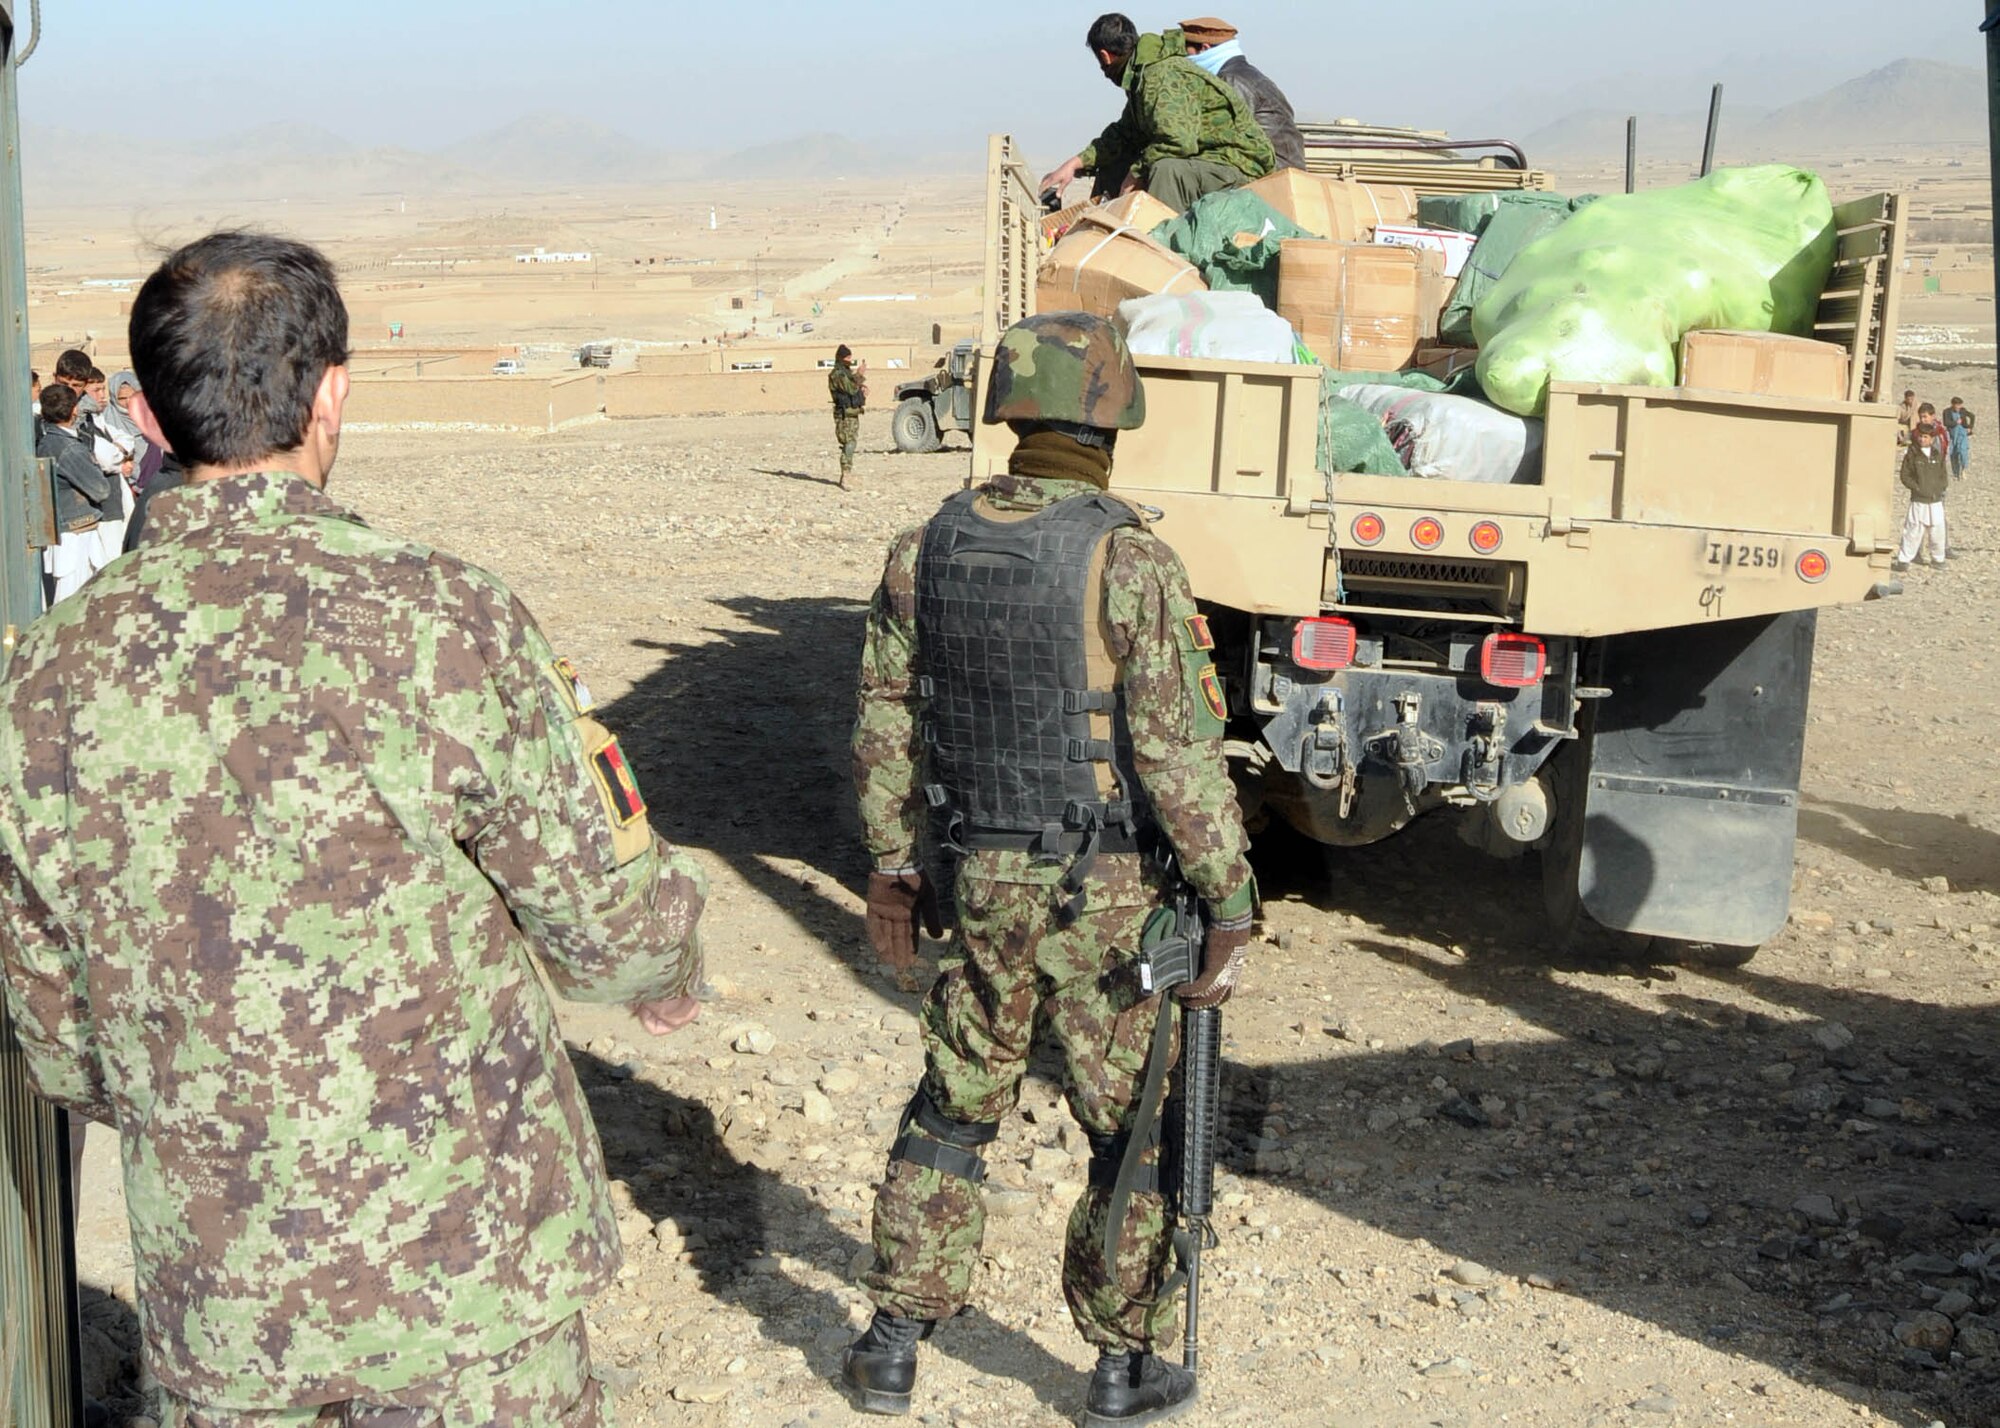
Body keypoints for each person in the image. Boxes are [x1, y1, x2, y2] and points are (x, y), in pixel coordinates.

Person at [0, 231, 710, 1423]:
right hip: (473, 1302)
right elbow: (605, 918)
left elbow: (55, 1032)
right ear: (331, 393)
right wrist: (668, 964)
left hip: (230, 1319)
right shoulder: (443, 617)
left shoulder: (44, 679)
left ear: (156, 423)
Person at [841, 311, 1256, 1426]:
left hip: (977, 877)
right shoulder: (1128, 558)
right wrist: (1228, 898)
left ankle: (890, 1343)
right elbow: (1175, 750)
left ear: (1010, 413)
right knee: (1124, 1125)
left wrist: (892, 870)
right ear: (1111, 413)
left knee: (953, 1104)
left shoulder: (921, 547)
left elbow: (884, 724)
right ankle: (1121, 1365)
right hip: (1107, 896)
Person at [1038, 13, 1276, 212]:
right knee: (1117, 163)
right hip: (1207, 161)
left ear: (1105, 56)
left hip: (1238, 167)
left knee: (1166, 170)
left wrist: (1136, 173)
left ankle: (1160, 253)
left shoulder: (1159, 76)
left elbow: (1178, 142)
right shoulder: (1142, 76)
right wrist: (1075, 163)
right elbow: (1125, 134)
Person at [1178, 16, 1305, 171]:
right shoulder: (1242, 73)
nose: (1184, 58)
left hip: (1271, 170)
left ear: (1204, 48)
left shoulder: (1231, 80)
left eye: (1186, 51)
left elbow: (1223, 136)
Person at [31, 379, 113, 605]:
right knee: (72, 599)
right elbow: (101, 489)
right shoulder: (67, 447)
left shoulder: (48, 441)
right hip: (75, 533)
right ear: (74, 409)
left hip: (69, 530)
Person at [1892, 420, 1949, 572]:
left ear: (1932, 439)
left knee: (1937, 530)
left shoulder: (1937, 455)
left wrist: (1940, 487)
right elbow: (1905, 475)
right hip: (1918, 500)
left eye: (1926, 437)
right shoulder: (1912, 455)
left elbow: (1943, 475)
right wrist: (1916, 488)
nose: (1922, 439)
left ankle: (1938, 558)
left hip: (1935, 500)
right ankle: (1903, 560)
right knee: (1913, 530)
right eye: (1921, 436)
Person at [830, 342, 867, 490]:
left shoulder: (845, 373)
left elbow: (853, 388)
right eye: (848, 357)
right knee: (848, 443)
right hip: (844, 415)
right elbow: (850, 388)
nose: (850, 360)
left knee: (852, 442)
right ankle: (846, 474)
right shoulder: (837, 374)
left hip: (852, 413)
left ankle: (848, 473)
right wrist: (859, 375)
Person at [1942, 395, 1974, 479]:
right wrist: (1956, 422)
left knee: (1963, 452)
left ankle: (1963, 469)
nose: (1958, 407)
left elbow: (1972, 416)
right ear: (1953, 404)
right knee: (1953, 453)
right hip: (1952, 436)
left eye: (1960, 405)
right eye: (1957, 405)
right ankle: (1956, 473)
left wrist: (1970, 427)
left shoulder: (1963, 410)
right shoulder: (1947, 411)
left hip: (1962, 434)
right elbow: (1946, 423)